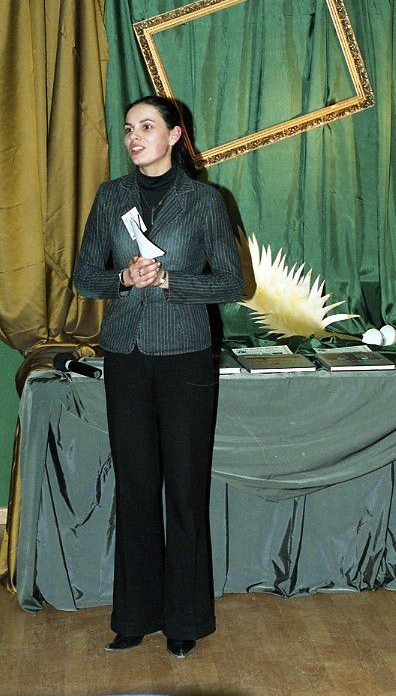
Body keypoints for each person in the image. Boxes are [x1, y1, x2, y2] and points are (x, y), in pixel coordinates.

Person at [74, 95, 244, 658]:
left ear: (174, 136)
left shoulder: (206, 201)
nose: (134, 136)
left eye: (147, 126)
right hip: (125, 354)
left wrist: (172, 280)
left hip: (185, 358)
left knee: (185, 490)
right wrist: (123, 278)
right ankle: (134, 615)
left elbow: (232, 283)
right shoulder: (111, 196)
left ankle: (185, 619)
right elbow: (83, 278)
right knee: (136, 486)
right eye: (129, 128)